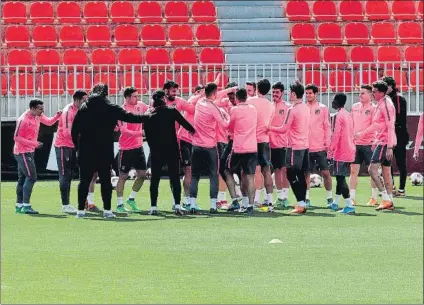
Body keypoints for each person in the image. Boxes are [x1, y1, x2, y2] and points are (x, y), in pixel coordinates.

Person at [71, 84, 152, 219]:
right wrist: (147, 116)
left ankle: (80, 211)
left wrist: (78, 149)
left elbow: (74, 131)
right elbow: (130, 117)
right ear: (106, 94)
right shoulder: (111, 107)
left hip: (86, 151)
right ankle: (107, 210)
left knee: (84, 181)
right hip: (104, 150)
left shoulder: (84, 108)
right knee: (105, 181)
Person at [143, 90, 195, 216]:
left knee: (155, 180)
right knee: (175, 178)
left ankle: (153, 207)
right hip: (172, 150)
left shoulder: (149, 115)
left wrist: (153, 147)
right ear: (163, 100)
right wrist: (192, 131)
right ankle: (177, 206)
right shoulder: (172, 111)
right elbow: (185, 123)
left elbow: (147, 135)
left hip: (156, 151)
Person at [268, 81, 310, 214]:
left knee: (291, 173)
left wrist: (269, 128)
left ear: (293, 94)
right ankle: (302, 203)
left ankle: (300, 203)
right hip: (304, 145)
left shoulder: (292, 109)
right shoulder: (305, 107)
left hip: (294, 146)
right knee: (300, 175)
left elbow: (284, 128)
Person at [14, 99, 62, 214]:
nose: (42, 110)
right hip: (23, 152)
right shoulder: (23, 120)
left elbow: (49, 122)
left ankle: (19, 205)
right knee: (31, 177)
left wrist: (57, 116)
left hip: (27, 151)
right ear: (33, 108)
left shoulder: (37, 116)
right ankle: (26, 205)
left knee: (23, 178)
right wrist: (34, 144)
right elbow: (16, 138)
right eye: (40, 109)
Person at [189, 83, 230, 214]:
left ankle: (192, 204)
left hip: (196, 145)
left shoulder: (200, 102)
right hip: (210, 146)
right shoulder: (213, 108)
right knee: (213, 175)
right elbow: (224, 124)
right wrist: (231, 117)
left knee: (195, 175)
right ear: (214, 94)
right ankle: (213, 205)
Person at [355, 80, 396, 211]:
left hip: (385, 142)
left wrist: (389, 147)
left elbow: (390, 126)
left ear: (381, 92)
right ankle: (389, 201)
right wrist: (371, 138)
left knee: (372, 170)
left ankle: (385, 198)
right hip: (381, 141)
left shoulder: (386, 105)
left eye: (374, 91)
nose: (372, 93)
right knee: (386, 172)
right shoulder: (382, 103)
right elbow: (378, 125)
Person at [115, 87, 149, 213]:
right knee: (122, 176)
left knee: (142, 175)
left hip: (138, 147)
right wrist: (142, 133)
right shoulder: (122, 111)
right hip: (126, 148)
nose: (137, 98)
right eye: (134, 96)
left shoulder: (140, 105)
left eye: (137, 95)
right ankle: (119, 205)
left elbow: (150, 109)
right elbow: (124, 131)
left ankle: (131, 199)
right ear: (127, 98)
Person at [224, 88, 258, 214]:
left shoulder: (234, 109)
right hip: (252, 147)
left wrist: (225, 116)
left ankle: (235, 199)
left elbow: (229, 126)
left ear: (237, 98)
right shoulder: (253, 109)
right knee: (249, 176)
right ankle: (250, 205)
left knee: (226, 170)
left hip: (238, 147)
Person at [54, 90, 88, 214]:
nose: (86, 102)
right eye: (84, 100)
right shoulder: (68, 111)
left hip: (72, 146)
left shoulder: (79, 111)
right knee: (65, 175)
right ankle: (65, 205)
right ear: (77, 100)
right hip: (64, 146)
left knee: (69, 175)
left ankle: (70, 203)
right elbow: (67, 132)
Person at [246, 79, 275, 211]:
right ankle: (270, 201)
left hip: (252, 139)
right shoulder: (270, 104)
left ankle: (255, 199)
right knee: (267, 170)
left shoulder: (250, 101)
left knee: (254, 171)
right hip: (265, 139)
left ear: (257, 88)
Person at [349, 85, 378, 206]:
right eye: (359, 93)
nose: (360, 95)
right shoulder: (354, 107)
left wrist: (366, 135)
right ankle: (352, 198)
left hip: (369, 144)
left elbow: (375, 125)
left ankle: (374, 197)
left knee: (373, 172)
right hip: (356, 144)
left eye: (363, 93)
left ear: (370, 95)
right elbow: (351, 124)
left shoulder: (374, 108)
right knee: (353, 171)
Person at [304, 84, 333, 208]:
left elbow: (327, 126)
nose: (308, 95)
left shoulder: (323, 108)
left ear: (316, 94)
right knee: (306, 174)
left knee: (326, 173)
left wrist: (328, 143)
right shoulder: (302, 108)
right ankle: (306, 199)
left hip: (320, 147)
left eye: (310, 93)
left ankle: (330, 198)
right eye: (307, 93)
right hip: (306, 147)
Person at [177, 85, 205, 210]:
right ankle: (186, 200)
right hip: (184, 139)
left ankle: (189, 199)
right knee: (188, 170)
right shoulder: (193, 101)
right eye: (200, 92)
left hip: (195, 141)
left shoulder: (204, 105)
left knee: (193, 171)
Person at [328, 93, 356, 214]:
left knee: (340, 178)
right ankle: (335, 202)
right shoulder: (348, 115)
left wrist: (330, 150)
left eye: (334, 100)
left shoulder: (338, 115)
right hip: (350, 149)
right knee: (341, 177)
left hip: (341, 151)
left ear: (338, 102)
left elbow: (336, 134)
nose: (332, 102)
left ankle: (349, 205)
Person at [383, 76, 409, 197]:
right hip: (388, 134)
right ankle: (391, 187)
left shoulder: (399, 99)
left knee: (400, 162)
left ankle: (402, 189)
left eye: (385, 85)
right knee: (387, 162)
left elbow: (400, 118)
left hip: (399, 134)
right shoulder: (383, 99)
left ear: (390, 86)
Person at [268, 82, 291, 208]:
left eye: (277, 92)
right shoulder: (269, 106)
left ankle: (285, 197)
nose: (274, 94)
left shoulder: (287, 107)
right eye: (273, 92)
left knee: (284, 170)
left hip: (283, 143)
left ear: (282, 93)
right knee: (276, 170)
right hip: (270, 143)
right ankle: (279, 197)